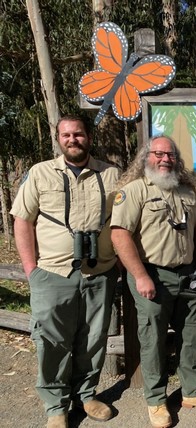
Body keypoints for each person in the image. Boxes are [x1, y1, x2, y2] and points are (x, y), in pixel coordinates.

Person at [10, 115, 120, 428]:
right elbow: (22, 220)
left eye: (79, 134)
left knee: (94, 339)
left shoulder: (112, 174)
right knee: (51, 341)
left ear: (89, 136)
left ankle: (86, 395)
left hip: (100, 272)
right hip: (52, 273)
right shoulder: (41, 173)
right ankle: (55, 407)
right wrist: (31, 269)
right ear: (59, 139)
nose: (73, 139)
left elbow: (126, 219)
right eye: (66, 135)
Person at [110, 135, 196, 428]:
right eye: (158, 154)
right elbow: (120, 235)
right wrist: (140, 276)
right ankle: (157, 400)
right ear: (145, 158)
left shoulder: (188, 191)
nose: (165, 159)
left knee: (192, 335)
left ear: (177, 160)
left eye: (170, 155)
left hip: (188, 275)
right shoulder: (134, 191)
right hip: (152, 277)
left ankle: (193, 391)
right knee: (153, 341)